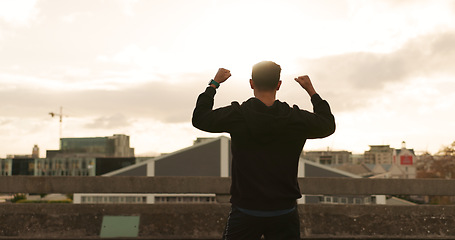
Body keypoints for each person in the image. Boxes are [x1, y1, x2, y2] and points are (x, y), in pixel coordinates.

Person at [192, 61, 335, 240]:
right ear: (279, 85)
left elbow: (200, 118)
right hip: (284, 210)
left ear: (251, 83)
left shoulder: (238, 115)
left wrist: (214, 84)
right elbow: (327, 124)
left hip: (245, 209)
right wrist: (311, 91)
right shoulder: (294, 119)